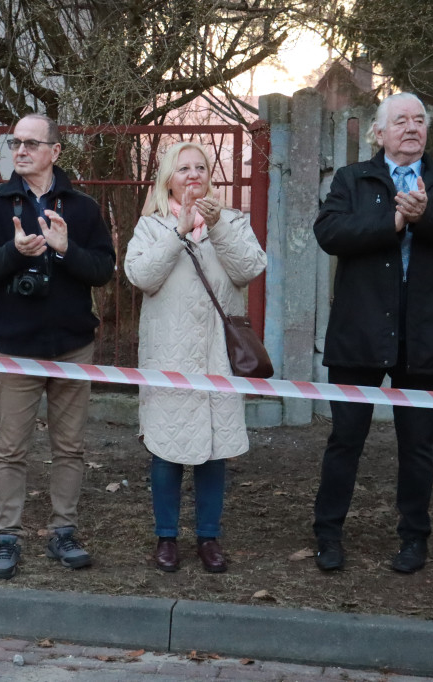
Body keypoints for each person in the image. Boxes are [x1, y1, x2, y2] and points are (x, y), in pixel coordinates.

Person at [311, 93, 433, 574]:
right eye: (401, 121)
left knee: (417, 444)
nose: (412, 128)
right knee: (345, 439)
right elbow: (329, 233)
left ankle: (414, 538)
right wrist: (391, 220)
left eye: (419, 121)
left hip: (422, 336)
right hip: (361, 333)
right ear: (379, 133)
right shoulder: (352, 179)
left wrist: (425, 215)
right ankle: (328, 534)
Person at [0, 113, 116, 579]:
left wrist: (66, 249)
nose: (20, 150)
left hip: (72, 345)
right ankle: (7, 537)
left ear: (55, 151)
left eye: (31, 143)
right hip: (18, 345)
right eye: (15, 143)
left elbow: (104, 270)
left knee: (69, 447)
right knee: (11, 448)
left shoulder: (84, 208)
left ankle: (63, 531)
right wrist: (16, 253)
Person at [124, 142, 267, 573]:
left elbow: (250, 269)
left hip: (217, 359)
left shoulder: (233, 221)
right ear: (169, 176)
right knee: (166, 450)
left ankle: (209, 537)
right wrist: (178, 230)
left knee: (214, 451)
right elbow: (141, 277)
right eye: (183, 168)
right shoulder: (151, 226)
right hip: (168, 357)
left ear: (210, 176)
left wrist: (217, 225)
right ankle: (166, 538)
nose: (192, 174)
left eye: (200, 167)